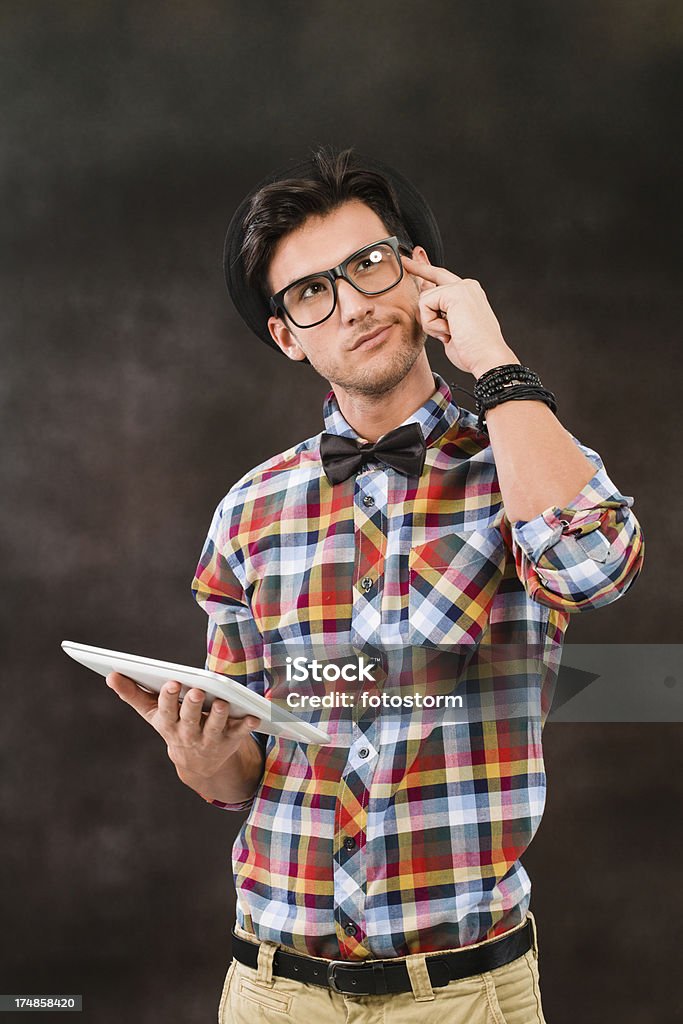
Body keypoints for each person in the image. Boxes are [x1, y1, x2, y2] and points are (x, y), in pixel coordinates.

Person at [106, 147, 644, 1023]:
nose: (352, 303)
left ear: (419, 274)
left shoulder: (523, 461)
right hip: (271, 989)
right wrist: (204, 760)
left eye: (369, 264)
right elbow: (248, 762)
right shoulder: (249, 508)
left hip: (461, 994)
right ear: (287, 335)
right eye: (312, 291)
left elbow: (594, 572)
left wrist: (493, 358)